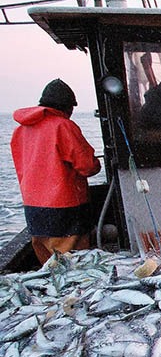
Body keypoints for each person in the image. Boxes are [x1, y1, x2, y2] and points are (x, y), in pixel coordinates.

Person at [11, 79, 102, 264]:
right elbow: (87, 166)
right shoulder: (63, 126)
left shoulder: (20, 131)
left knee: (50, 267)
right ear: (67, 107)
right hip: (65, 210)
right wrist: (96, 163)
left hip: (33, 210)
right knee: (75, 266)